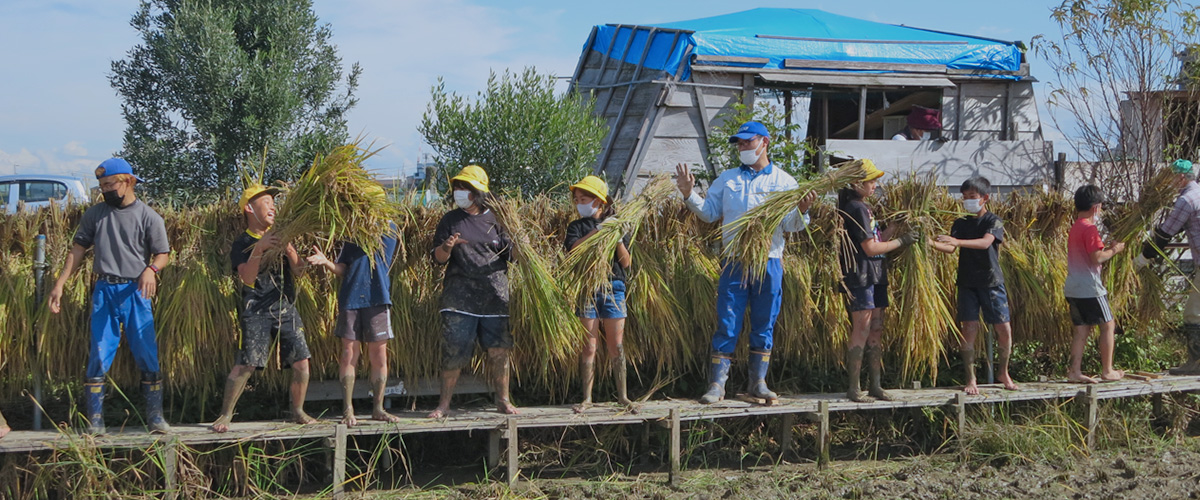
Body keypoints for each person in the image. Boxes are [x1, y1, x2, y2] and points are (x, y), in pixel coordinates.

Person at [674, 121, 816, 405]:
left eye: (746, 142)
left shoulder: (784, 182)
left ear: (765, 142)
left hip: (769, 261)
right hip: (735, 261)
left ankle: (758, 382)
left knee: (765, 321)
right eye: (738, 143)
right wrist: (689, 193)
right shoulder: (727, 180)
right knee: (727, 321)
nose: (741, 147)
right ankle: (717, 384)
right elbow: (710, 213)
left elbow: (791, 225)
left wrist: (801, 210)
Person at [47, 158, 171, 435]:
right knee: (100, 352)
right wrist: (60, 283)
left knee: (147, 352)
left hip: (136, 291)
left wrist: (151, 269)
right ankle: (96, 421)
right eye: (101, 186)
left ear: (128, 181)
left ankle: (155, 418)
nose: (105, 190)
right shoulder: (95, 215)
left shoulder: (150, 217)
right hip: (105, 289)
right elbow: (77, 249)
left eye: (109, 184)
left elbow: (163, 253)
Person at [210, 184, 316, 433]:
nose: (272, 206)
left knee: (302, 361)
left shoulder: (283, 236)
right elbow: (246, 278)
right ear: (249, 208)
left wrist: (289, 248)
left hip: (284, 305)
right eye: (266, 201)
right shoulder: (243, 242)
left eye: (273, 202)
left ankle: (298, 411)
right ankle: (225, 414)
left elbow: (299, 272)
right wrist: (260, 248)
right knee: (248, 362)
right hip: (255, 306)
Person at [307, 185, 402, 426]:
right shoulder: (350, 235)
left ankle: (378, 407)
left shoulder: (388, 229)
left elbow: (377, 250)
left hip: (378, 298)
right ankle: (348, 409)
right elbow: (344, 269)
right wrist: (327, 263)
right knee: (349, 352)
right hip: (350, 298)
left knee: (379, 354)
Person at [428, 165, 518, 418]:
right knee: (454, 349)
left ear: (478, 192)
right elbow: (438, 258)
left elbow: (514, 257)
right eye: (457, 187)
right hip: (459, 296)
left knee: (499, 350)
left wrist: (520, 242)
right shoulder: (450, 220)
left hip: (494, 296)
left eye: (465, 188)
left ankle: (503, 400)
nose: (459, 191)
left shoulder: (499, 220)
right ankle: (444, 405)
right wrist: (447, 246)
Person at [931, 177, 1019, 394]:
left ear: (985, 198)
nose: (967, 201)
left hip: (991, 282)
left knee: (1004, 328)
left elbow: (986, 242)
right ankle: (971, 379)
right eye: (965, 198)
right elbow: (950, 248)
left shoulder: (993, 221)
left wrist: (957, 242)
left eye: (972, 197)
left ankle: (1003, 372)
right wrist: (930, 242)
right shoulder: (960, 223)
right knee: (969, 329)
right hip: (967, 282)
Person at [838, 160, 917, 402]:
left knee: (876, 329)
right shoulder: (855, 208)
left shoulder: (864, 207)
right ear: (856, 183)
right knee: (862, 328)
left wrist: (893, 227)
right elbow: (871, 248)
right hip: (861, 275)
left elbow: (877, 239)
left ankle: (876, 385)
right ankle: (854, 388)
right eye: (871, 181)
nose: (875, 185)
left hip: (876, 274)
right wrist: (903, 241)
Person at [564, 175, 632, 413]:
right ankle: (587, 398)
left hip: (614, 287)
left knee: (617, 345)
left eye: (584, 198)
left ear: (600, 202)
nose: (579, 202)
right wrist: (598, 232)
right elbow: (573, 250)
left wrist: (617, 237)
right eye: (577, 199)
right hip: (587, 289)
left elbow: (625, 262)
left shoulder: (616, 225)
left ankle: (623, 396)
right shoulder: (576, 227)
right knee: (589, 346)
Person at [1139, 159, 1200, 375]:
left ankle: (1196, 364)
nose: (1171, 182)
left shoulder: (1186, 200)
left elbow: (1166, 233)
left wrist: (1144, 257)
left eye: (1173, 177)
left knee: (1193, 313)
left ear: (1181, 178)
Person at [1065, 185, 1125, 384]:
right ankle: (1107, 370)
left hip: (1073, 285)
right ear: (1096, 208)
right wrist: (1115, 249)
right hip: (1089, 287)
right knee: (1108, 325)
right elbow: (1096, 258)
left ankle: (1074, 371)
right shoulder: (1090, 228)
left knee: (1081, 328)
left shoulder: (1075, 226)